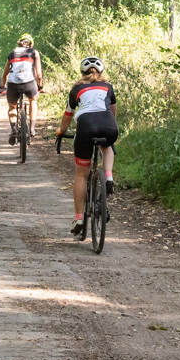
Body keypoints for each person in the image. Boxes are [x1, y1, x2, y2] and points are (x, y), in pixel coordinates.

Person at [57, 56, 117, 238]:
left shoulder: (76, 89)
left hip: (85, 126)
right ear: (101, 71)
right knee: (107, 145)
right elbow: (112, 110)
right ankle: (108, 176)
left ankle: (79, 219)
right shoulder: (108, 87)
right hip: (108, 123)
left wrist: (61, 131)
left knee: (81, 175)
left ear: (82, 72)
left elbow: (68, 115)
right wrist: (108, 125)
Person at [0, 34, 44, 144]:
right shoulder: (34, 52)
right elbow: (38, 75)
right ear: (31, 44)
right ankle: (32, 129)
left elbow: (5, 74)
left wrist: (3, 85)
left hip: (13, 84)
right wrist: (40, 86)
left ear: (19, 43)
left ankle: (13, 130)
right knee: (33, 100)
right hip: (29, 83)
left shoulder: (12, 53)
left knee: (12, 106)